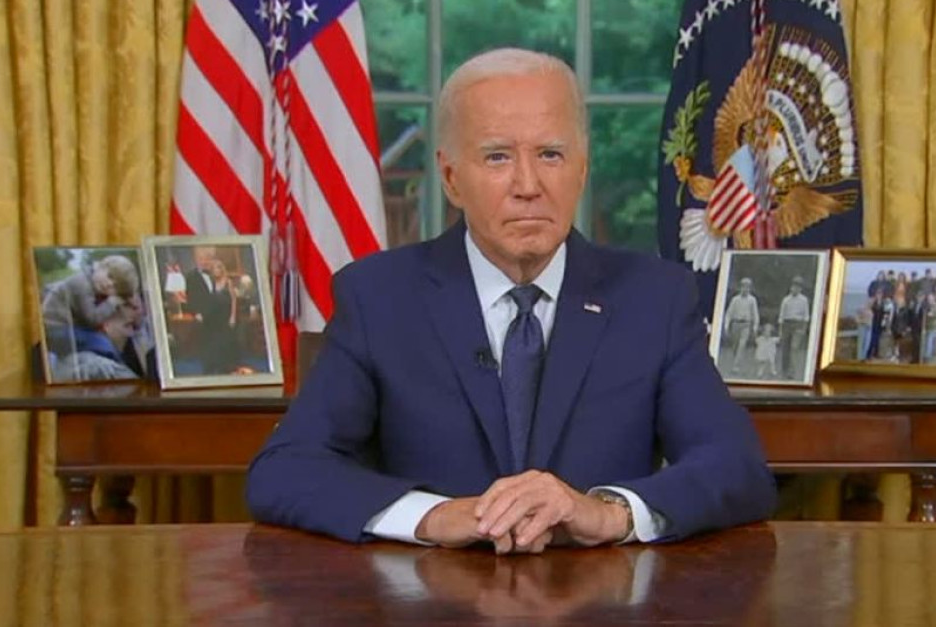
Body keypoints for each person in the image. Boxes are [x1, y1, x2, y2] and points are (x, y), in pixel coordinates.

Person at [246, 48, 775, 553]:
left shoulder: (654, 298)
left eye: (550, 154)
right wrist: (433, 517)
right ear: (451, 178)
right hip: (426, 595)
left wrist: (608, 514)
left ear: (582, 169)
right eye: (497, 157)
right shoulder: (378, 297)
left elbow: (736, 466)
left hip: (603, 595)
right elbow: (285, 469)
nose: (528, 185)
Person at [41, 255, 140, 358]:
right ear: (99, 266)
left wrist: (126, 298)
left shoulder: (92, 284)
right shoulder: (81, 284)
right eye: (110, 276)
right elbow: (92, 319)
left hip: (66, 328)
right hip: (54, 328)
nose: (109, 284)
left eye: (115, 287)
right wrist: (112, 302)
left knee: (101, 341)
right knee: (101, 343)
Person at [722, 277, 760, 375]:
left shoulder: (752, 300)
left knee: (742, 346)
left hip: (746, 324)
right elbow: (729, 313)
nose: (745, 289)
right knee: (735, 346)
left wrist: (755, 327)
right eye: (743, 286)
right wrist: (726, 326)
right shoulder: (735, 299)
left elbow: (755, 314)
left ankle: (736, 366)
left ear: (750, 288)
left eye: (747, 287)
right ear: (740, 287)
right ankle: (736, 360)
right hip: (736, 324)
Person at [776, 276, 810, 379]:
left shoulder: (804, 300)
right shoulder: (786, 300)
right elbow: (781, 316)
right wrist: (780, 330)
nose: (795, 289)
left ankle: (792, 372)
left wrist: (803, 329)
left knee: (794, 348)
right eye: (794, 286)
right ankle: (784, 370)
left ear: (800, 289)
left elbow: (806, 316)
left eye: (798, 287)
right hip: (787, 324)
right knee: (785, 349)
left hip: (797, 325)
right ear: (791, 287)